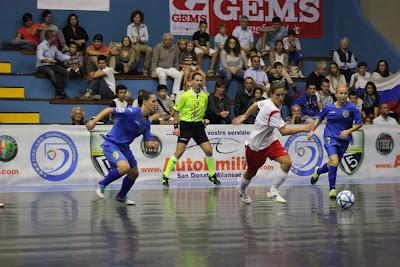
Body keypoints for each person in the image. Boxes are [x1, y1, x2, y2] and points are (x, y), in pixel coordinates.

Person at [233, 83, 312, 204]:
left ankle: (273, 191)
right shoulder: (272, 110)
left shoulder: (269, 102)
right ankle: (242, 190)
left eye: (282, 95)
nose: (280, 98)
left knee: (287, 163)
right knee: (250, 173)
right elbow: (284, 131)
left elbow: (255, 105)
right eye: (277, 95)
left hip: (270, 141)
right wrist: (304, 128)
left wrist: (244, 116)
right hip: (256, 146)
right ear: (271, 95)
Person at [86, 91, 159, 205]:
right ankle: (102, 184)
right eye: (153, 101)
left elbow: (147, 142)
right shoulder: (132, 111)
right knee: (124, 167)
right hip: (111, 144)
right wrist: (94, 121)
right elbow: (109, 110)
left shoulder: (147, 123)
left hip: (124, 148)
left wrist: (152, 144)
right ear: (144, 102)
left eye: (156, 102)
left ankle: (121, 196)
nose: (156, 104)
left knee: (134, 173)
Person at [162, 73, 221, 187]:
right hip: (186, 126)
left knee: (209, 151)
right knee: (179, 152)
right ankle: (165, 176)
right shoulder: (185, 95)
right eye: (197, 80)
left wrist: (204, 120)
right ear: (192, 81)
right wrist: (176, 127)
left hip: (198, 126)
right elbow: (176, 111)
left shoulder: (204, 96)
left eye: (201, 80)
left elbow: (202, 111)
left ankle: (212, 175)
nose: (199, 82)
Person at [308, 84, 363, 199]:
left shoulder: (352, 108)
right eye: (340, 93)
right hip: (330, 137)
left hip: (344, 140)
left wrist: (348, 131)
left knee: (333, 163)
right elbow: (319, 118)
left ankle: (318, 171)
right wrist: (312, 131)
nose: (343, 96)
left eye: (345, 93)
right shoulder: (328, 107)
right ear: (336, 94)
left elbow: (359, 123)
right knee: (334, 160)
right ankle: (332, 189)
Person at [36, 30, 70, 99]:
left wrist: (72, 57)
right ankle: (61, 92)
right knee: (51, 73)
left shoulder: (54, 47)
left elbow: (61, 57)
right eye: (55, 37)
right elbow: (39, 57)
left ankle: (59, 93)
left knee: (65, 72)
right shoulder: (41, 45)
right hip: (42, 66)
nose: (57, 38)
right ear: (50, 37)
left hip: (51, 65)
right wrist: (48, 60)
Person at [151, 33, 182, 100]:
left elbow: (176, 60)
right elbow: (154, 60)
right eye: (166, 40)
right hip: (159, 68)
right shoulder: (158, 47)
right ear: (163, 40)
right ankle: (165, 95)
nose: (168, 41)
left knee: (179, 75)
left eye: (169, 40)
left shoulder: (175, 48)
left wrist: (177, 69)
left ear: (172, 40)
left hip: (170, 68)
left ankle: (174, 94)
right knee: (162, 75)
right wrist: (153, 70)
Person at [126, 10, 153, 76]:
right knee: (137, 47)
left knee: (149, 49)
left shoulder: (144, 27)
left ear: (141, 18)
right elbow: (129, 39)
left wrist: (140, 39)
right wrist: (136, 40)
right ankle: (136, 67)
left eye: (138, 17)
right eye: (135, 17)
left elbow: (146, 39)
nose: (136, 19)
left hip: (142, 44)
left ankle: (145, 69)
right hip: (133, 45)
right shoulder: (129, 27)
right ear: (133, 18)